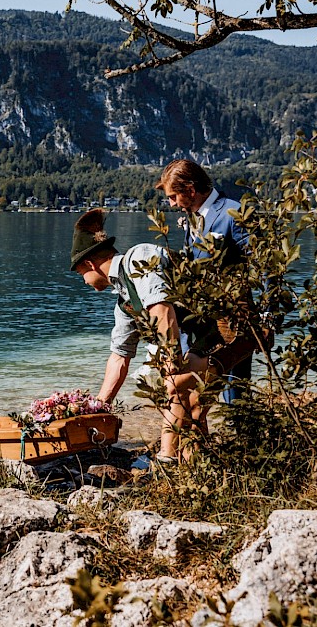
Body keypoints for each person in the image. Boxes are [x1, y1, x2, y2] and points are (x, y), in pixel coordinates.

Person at [69, 208, 255, 462]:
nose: (85, 282)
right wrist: (100, 406)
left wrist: (172, 359)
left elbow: (161, 308)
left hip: (228, 328)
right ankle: (189, 469)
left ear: (89, 263)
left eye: (81, 274)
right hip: (203, 341)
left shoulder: (139, 258)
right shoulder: (124, 300)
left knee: (179, 389)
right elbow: (119, 357)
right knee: (191, 407)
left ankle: (169, 461)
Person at [155, 159, 252, 404]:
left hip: (234, 319)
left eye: (173, 196)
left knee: (235, 387)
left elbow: (260, 267)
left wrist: (265, 314)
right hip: (202, 320)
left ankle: (243, 435)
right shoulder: (193, 218)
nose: (171, 203)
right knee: (197, 391)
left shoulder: (233, 213)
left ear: (190, 190)